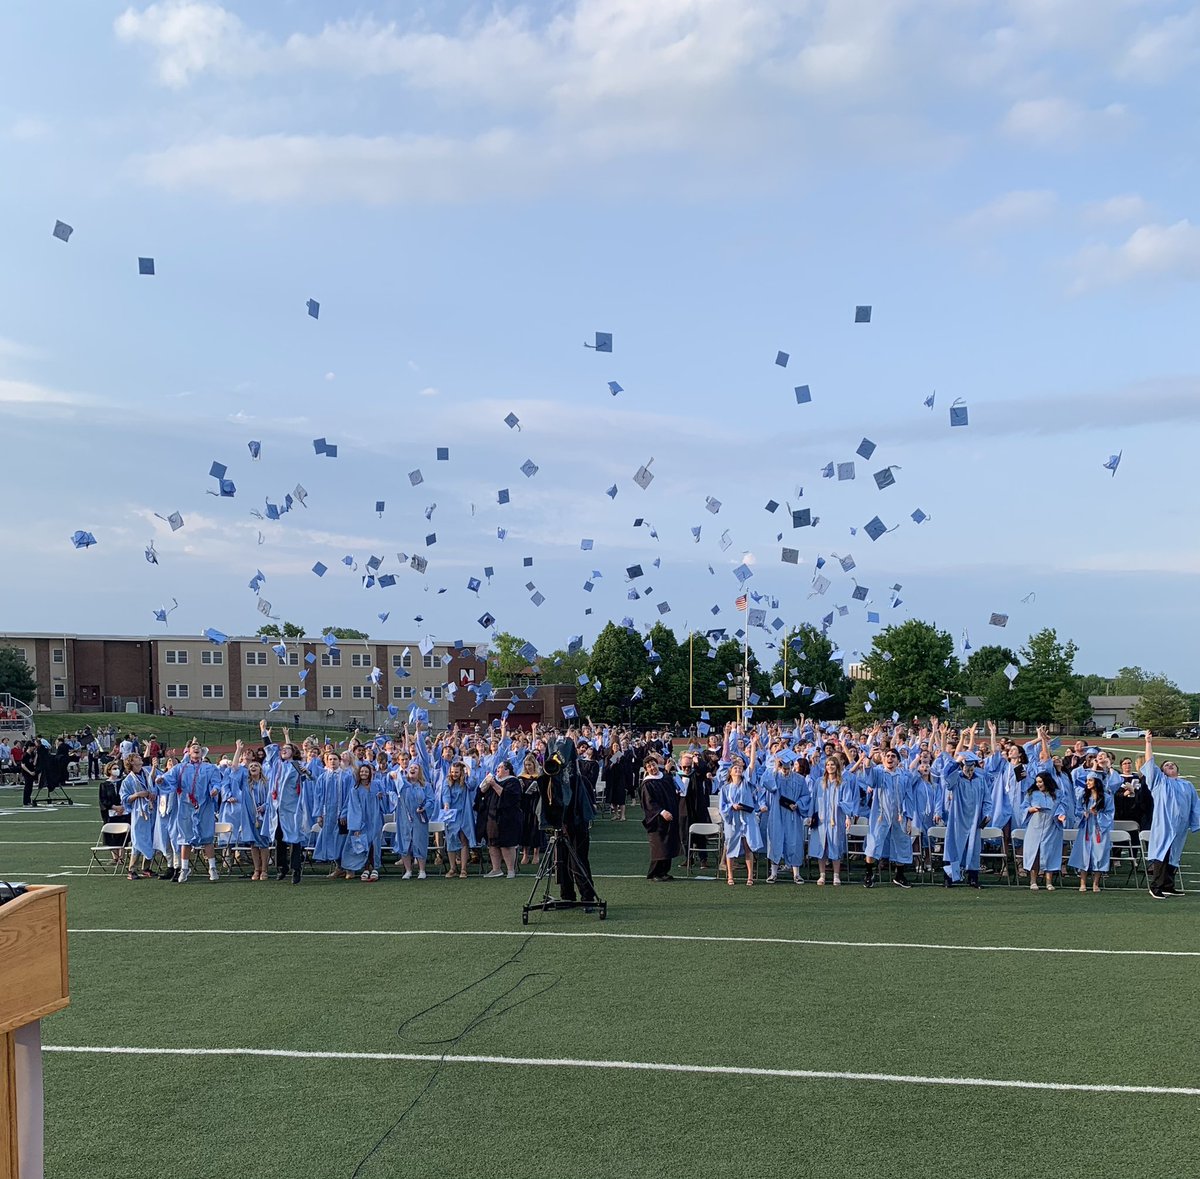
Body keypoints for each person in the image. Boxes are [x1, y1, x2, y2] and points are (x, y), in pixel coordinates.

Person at [1139, 732, 1200, 899]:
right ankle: (1156, 886)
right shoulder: (1159, 782)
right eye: (1166, 765)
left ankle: (1168, 885)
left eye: (1173, 764)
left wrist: (1196, 822)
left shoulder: (1187, 785)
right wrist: (1148, 743)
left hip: (1180, 825)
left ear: (1177, 770)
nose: (1170, 765)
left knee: (1174, 855)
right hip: (1164, 824)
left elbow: (1196, 805)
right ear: (1162, 771)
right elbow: (1150, 764)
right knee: (1162, 853)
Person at [160, 740, 222, 883]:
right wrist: (160, 780)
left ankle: (212, 868)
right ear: (188, 751)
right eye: (193, 747)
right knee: (185, 839)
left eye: (198, 747)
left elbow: (217, 782)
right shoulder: (180, 768)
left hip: (204, 806)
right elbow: (169, 779)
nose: (196, 749)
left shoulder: (210, 768)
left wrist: (215, 789)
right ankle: (184, 869)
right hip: (186, 807)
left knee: (207, 837)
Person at [936, 751, 991, 888]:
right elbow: (946, 777)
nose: (970, 771)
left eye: (972, 768)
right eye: (967, 767)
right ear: (962, 767)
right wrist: (957, 761)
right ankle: (949, 878)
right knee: (953, 847)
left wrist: (987, 814)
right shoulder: (957, 779)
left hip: (975, 819)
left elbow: (987, 800)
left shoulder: (980, 780)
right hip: (958, 819)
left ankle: (973, 878)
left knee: (973, 848)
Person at [260, 722, 307, 885]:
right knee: (278, 838)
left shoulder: (298, 766)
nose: (283, 750)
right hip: (276, 808)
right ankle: (282, 868)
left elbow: (308, 780)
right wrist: (264, 732)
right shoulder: (276, 764)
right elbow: (269, 749)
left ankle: (296, 869)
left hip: (292, 808)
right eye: (282, 749)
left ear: (294, 752)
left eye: (287, 748)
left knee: (294, 839)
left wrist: (306, 775)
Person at [718, 743, 763, 887]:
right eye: (735, 768)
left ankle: (750, 877)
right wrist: (732, 806)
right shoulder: (725, 788)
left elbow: (751, 765)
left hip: (747, 819)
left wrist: (754, 744)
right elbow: (722, 806)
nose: (738, 769)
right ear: (730, 772)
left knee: (748, 847)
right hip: (732, 820)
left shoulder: (747, 784)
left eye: (739, 768)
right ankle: (730, 876)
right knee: (731, 847)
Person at [1021, 771, 1067, 891]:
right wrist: (1030, 809)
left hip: (1051, 825)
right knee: (1034, 852)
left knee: (1050, 852)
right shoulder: (1032, 794)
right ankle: (1033, 880)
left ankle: (1049, 881)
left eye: (1040, 782)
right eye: (1036, 782)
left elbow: (1062, 806)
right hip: (1035, 825)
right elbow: (1023, 807)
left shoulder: (1058, 794)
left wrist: (1061, 815)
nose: (1038, 784)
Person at [1069, 773, 1115, 892]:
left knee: (1099, 855)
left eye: (1090, 780)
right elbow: (1077, 810)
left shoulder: (1106, 798)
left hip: (1099, 830)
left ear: (1096, 781)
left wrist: (1097, 814)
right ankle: (1083, 883)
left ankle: (1096, 883)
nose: (1087, 783)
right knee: (1083, 855)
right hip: (1086, 829)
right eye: (1087, 780)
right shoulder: (1084, 797)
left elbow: (1110, 814)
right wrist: (1083, 814)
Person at [640, 753, 680, 881]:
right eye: (649, 766)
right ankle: (655, 873)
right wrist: (662, 812)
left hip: (670, 816)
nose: (652, 768)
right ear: (646, 770)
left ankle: (664, 872)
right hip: (657, 820)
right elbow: (649, 803)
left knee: (668, 845)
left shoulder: (665, 778)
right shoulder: (647, 784)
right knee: (659, 847)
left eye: (653, 764)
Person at [480, 760, 521, 878]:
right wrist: (487, 783)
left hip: (507, 817)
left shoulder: (513, 781)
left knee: (506, 844)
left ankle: (510, 870)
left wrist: (494, 784)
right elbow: (482, 792)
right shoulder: (494, 780)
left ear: (507, 770)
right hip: (492, 816)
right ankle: (496, 869)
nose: (497, 769)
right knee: (492, 843)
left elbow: (508, 797)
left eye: (500, 767)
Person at [119, 753, 157, 879]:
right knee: (138, 840)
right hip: (139, 812)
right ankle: (131, 869)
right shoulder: (128, 780)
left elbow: (153, 784)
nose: (140, 758)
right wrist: (137, 795)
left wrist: (152, 794)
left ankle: (146, 867)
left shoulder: (145, 773)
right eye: (137, 758)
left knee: (151, 838)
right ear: (132, 763)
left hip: (151, 810)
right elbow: (124, 799)